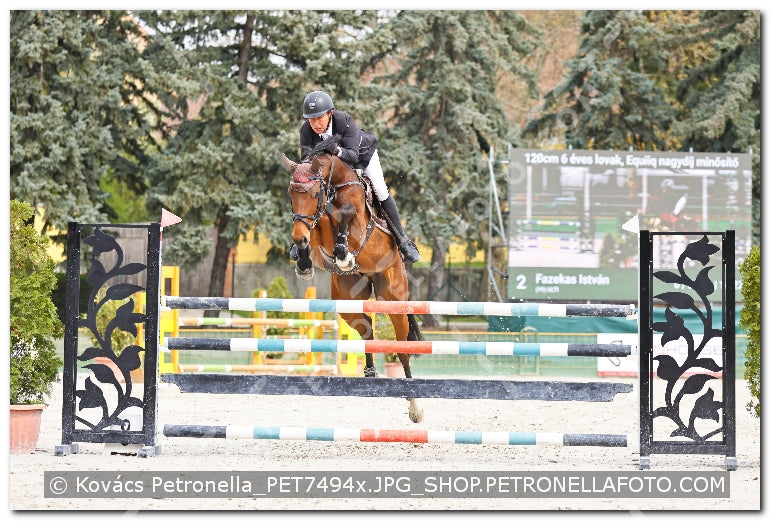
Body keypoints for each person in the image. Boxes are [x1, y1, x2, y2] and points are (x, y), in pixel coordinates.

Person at [292, 90, 420, 263]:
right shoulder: (306, 131)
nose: (315, 123)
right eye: (311, 119)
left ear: (330, 113)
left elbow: (352, 156)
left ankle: (402, 240)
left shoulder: (344, 121)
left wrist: (335, 150)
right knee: (308, 191)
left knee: (381, 190)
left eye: (319, 117)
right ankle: (302, 239)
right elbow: (306, 163)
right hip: (333, 168)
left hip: (362, 158)